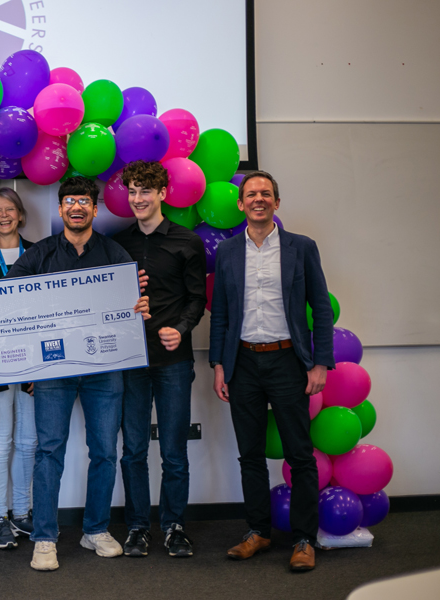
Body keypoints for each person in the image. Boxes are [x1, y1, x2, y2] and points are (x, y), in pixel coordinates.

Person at [0, 177, 151, 571]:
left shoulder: (115, 254)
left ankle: (95, 530)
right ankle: (44, 537)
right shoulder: (39, 255)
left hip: (103, 369)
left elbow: (130, 305)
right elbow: (3, 300)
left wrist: (139, 306)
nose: (77, 207)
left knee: (105, 452)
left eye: (85, 201)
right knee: (48, 450)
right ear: (60, 209)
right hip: (53, 370)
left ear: (95, 208)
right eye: (70, 201)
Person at [209, 171, 334, 572]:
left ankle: (303, 539)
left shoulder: (302, 248)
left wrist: (320, 363)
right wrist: (219, 365)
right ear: (241, 204)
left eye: (266, 193)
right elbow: (222, 314)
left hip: (287, 362)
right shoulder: (228, 252)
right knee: (249, 455)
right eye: (251, 194)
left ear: (277, 203)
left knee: (300, 455)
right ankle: (258, 532)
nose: (258, 199)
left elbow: (321, 307)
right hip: (242, 363)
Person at [112, 161, 206, 558]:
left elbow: (198, 298)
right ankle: (137, 527)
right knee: (132, 450)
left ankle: (174, 526)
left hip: (173, 361)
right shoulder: (118, 245)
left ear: (163, 194)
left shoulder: (187, 242)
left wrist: (181, 329)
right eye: (132, 192)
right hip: (130, 361)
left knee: (173, 451)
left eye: (145, 192)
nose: (138, 199)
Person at [0, 187, 36, 550]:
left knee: (29, 442)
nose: (4, 215)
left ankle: (23, 512)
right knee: (0, 442)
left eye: (10, 209)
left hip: (34, 363)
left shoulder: (41, 252)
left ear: (20, 214)